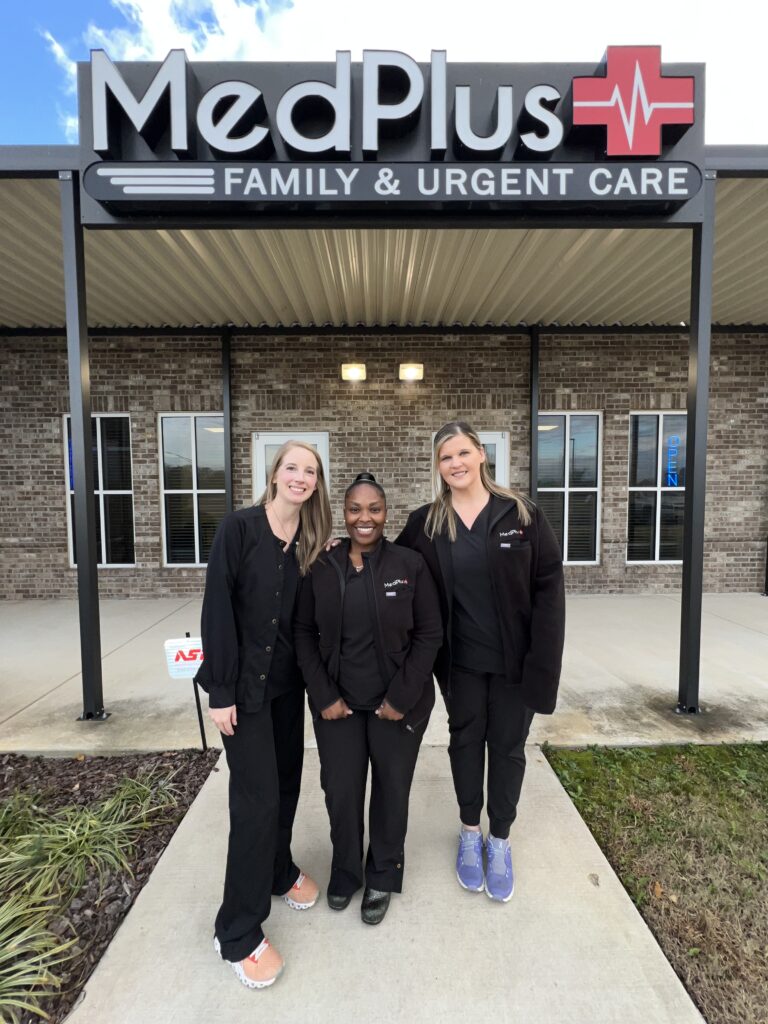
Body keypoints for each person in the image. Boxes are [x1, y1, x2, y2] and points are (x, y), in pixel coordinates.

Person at [397, 421, 565, 903]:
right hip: (461, 666)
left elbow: (549, 592)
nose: (456, 463)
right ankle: (470, 832)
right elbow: (389, 563)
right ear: (438, 466)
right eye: (446, 457)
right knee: (466, 743)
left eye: (463, 452)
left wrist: (544, 665)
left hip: (516, 665)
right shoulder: (426, 524)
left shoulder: (521, 514)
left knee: (509, 748)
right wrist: (340, 551)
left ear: (481, 456)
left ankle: (501, 840)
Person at [194, 441, 332, 989]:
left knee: (288, 785)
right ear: (274, 474)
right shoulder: (240, 529)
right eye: (292, 467)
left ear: (316, 484)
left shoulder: (309, 542)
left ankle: (277, 870)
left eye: (311, 471)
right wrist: (221, 690)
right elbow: (217, 610)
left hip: (285, 692)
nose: (300, 477)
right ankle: (237, 932)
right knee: (256, 803)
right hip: (242, 695)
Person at [294, 472, 442, 925]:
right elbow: (302, 632)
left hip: (397, 705)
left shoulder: (409, 565)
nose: (365, 518)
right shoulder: (322, 564)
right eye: (355, 509)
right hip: (338, 705)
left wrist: (401, 697)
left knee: (391, 791)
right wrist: (323, 695)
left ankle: (382, 873)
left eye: (373, 509)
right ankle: (346, 870)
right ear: (344, 513)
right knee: (340, 791)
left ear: (385, 513)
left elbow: (430, 634)